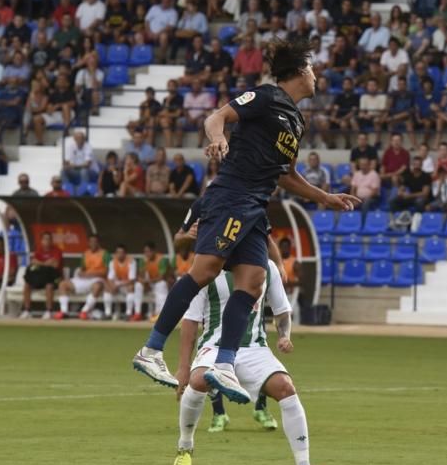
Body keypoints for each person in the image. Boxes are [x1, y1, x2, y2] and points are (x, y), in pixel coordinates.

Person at [133, 40, 360, 396]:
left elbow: (285, 174)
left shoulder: (296, 121)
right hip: (232, 195)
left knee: (255, 280)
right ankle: (151, 349)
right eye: (313, 69)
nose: (317, 77)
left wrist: (325, 197)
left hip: (255, 206)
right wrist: (220, 138)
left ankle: (224, 364)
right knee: (205, 269)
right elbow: (216, 116)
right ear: (301, 70)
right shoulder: (266, 96)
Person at [172, 258, 327, 465]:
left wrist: (284, 336)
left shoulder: (267, 266)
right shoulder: (206, 266)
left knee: (286, 388)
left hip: (254, 348)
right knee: (198, 381)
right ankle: (185, 449)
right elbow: (191, 321)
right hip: (214, 347)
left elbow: (282, 312)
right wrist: (183, 367)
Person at [56, 234, 111, 320]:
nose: (93, 244)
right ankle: (64, 311)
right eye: (91, 242)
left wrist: (91, 274)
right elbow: (81, 270)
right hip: (85, 278)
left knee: (97, 286)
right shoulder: (86, 253)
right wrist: (82, 273)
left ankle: (84, 311)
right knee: (63, 284)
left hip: (98, 278)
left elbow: (106, 272)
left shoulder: (105, 254)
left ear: (98, 243)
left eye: (95, 242)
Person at [20, 232, 64, 319]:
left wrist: (40, 263)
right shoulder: (39, 250)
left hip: (55, 278)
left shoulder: (57, 250)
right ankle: (27, 310)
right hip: (41, 277)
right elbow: (33, 262)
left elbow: (55, 265)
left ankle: (49, 311)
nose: (47, 241)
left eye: (49, 239)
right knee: (27, 285)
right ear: (41, 241)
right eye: (45, 239)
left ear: (52, 241)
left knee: (49, 285)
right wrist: (46, 263)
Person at [108, 244, 144, 322]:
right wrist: (112, 286)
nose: (120, 254)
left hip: (127, 284)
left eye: (122, 252)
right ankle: (108, 313)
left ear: (125, 254)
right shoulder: (112, 262)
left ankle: (130, 313)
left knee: (135, 286)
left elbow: (132, 279)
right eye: (118, 252)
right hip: (118, 284)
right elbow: (110, 278)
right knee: (107, 288)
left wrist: (117, 285)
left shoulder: (131, 261)